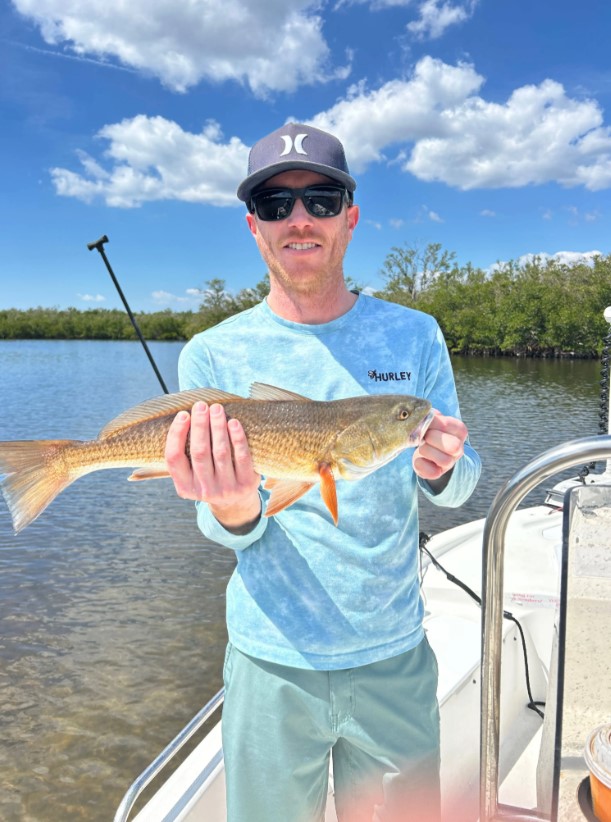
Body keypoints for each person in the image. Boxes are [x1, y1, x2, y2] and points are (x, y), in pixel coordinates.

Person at [164, 122, 481, 822]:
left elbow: (462, 485)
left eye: (321, 199)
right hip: (270, 660)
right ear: (254, 227)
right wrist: (233, 505)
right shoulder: (212, 354)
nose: (298, 218)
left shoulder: (415, 334)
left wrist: (441, 466)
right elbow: (224, 533)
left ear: (350, 217)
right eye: (275, 204)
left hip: (393, 656)